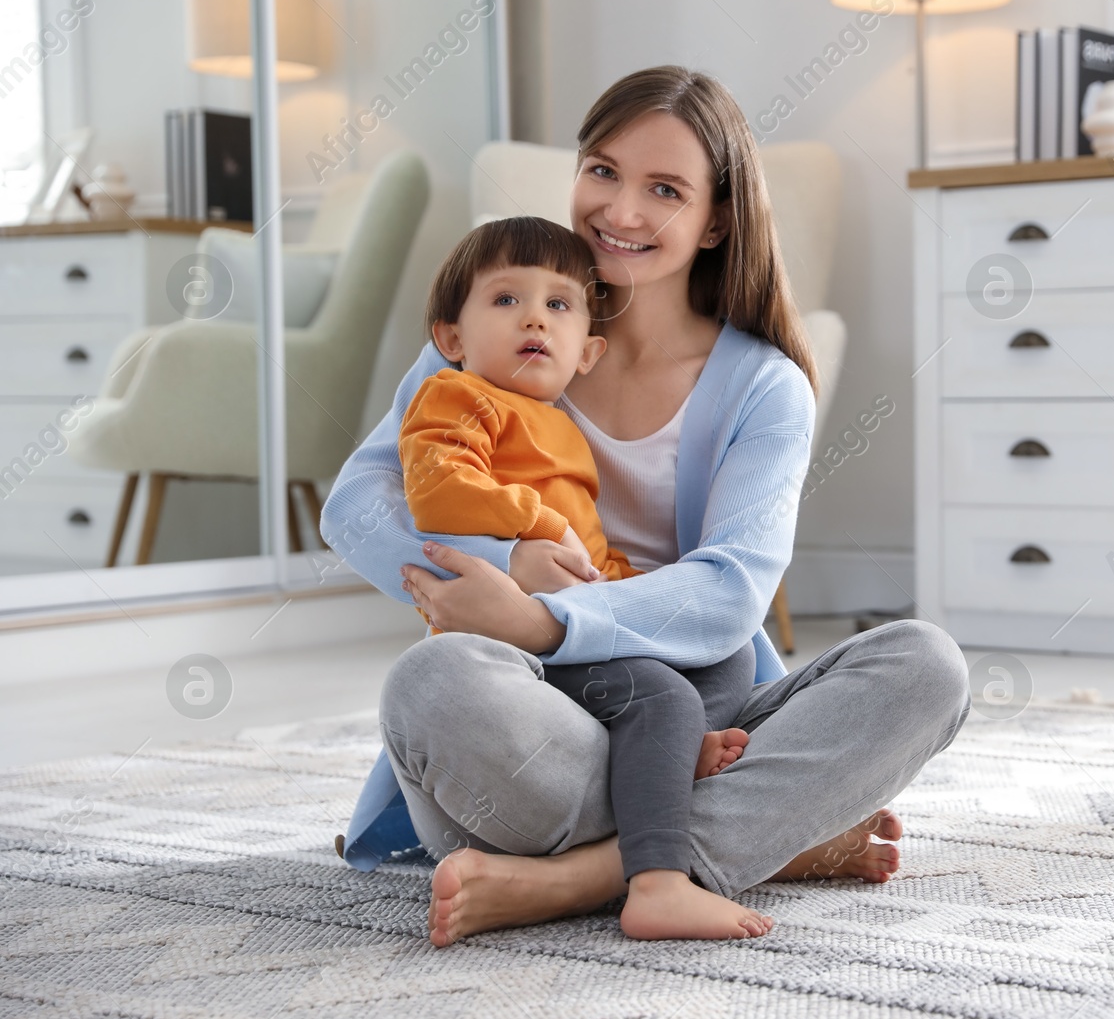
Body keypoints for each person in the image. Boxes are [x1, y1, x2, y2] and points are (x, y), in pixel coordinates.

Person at [320, 65, 971, 949]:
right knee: (430, 686)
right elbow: (357, 504)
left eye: (664, 190)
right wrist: (504, 567)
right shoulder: (514, 320)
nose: (620, 212)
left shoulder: (764, 385)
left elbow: (730, 590)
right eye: (602, 171)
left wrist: (546, 617)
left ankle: (574, 878)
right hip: (533, 726)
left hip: (703, 717)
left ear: (719, 220)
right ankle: (746, 839)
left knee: (926, 665)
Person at [398, 214, 764, 938]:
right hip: (511, 647)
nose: (534, 316)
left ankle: (659, 764)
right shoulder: (457, 396)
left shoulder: (560, 424)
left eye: (558, 305)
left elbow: (593, 557)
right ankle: (658, 879)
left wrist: (621, 585)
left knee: (729, 655)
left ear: (588, 351)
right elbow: (436, 487)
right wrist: (537, 522)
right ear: (451, 339)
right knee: (658, 693)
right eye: (506, 300)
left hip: (581, 629)